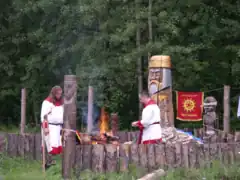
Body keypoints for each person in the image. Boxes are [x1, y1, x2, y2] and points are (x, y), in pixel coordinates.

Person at [41, 86, 64, 166]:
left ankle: (54, 164)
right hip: (50, 127)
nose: (59, 95)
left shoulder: (61, 103)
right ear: (53, 93)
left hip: (59, 127)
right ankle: (48, 164)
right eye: (57, 94)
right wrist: (45, 127)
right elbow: (43, 116)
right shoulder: (47, 102)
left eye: (60, 94)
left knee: (57, 146)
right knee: (50, 146)